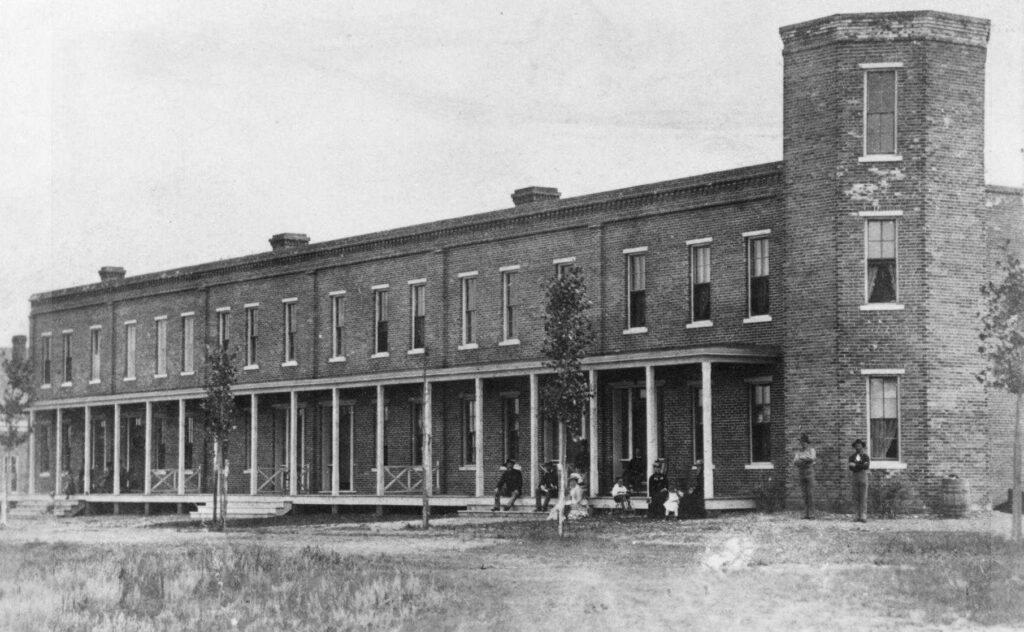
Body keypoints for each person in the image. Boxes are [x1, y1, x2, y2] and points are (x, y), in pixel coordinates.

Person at [793, 433, 817, 519]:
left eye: (804, 442)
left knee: (810, 494)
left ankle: (812, 514)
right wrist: (806, 459)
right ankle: (805, 513)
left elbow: (812, 458)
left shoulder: (812, 450)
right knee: (804, 494)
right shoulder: (798, 452)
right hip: (801, 473)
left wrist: (802, 458)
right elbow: (795, 461)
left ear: (807, 443)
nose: (803, 444)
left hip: (809, 472)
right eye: (801, 442)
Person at [848, 439, 871, 523]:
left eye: (859, 445)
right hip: (855, 476)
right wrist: (861, 465)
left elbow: (866, 466)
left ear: (862, 446)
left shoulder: (865, 457)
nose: (858, 447)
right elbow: (850, 467)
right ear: (854, 447)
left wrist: (856, 465)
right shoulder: (852, 457)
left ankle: (863, 515)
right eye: (856, 445)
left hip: (863, 476)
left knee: (863, 496)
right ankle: (856, 515)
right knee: (856, 496)